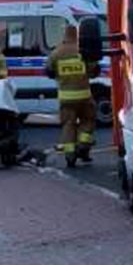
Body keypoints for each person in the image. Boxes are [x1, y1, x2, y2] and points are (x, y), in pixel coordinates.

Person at [44, 24, 100, 167]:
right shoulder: (83, 51)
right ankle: (83, 144)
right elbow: (94, 71)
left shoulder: (56, 53)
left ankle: (70, 155)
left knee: (68, 124)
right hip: (84, 96)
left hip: (66, 98)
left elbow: (48, 71)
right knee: (88, 119)